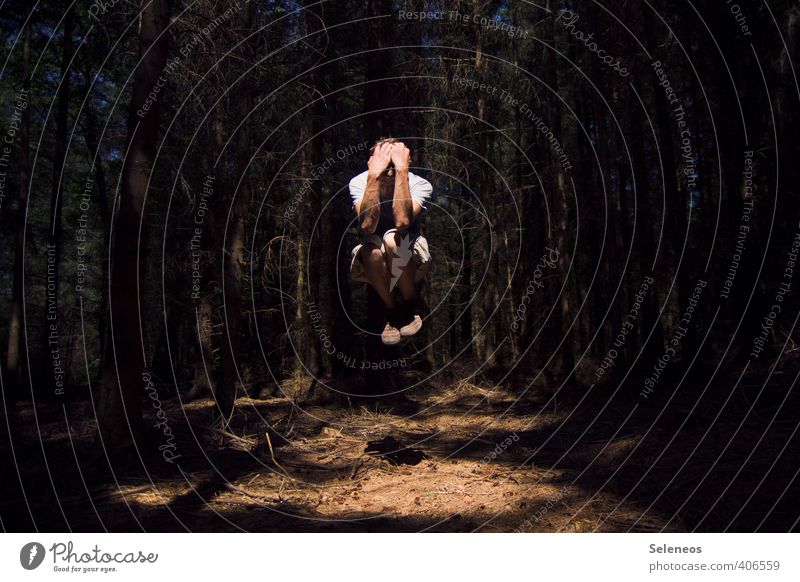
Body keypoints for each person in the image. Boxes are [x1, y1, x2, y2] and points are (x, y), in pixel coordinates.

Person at [349, 138, 432, 345]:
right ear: (373, 161)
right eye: (385, 162)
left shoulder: (419, 183)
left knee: (392, 240)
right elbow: (368, 225)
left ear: (406, 160)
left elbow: (403, 221)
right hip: (375, 257)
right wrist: (374, 176)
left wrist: (402, 172)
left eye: (394, 162)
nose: (389, 170)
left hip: (410, 251)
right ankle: (392, 310)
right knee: (372, 250)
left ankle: (411, 302)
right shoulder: (359, 182)